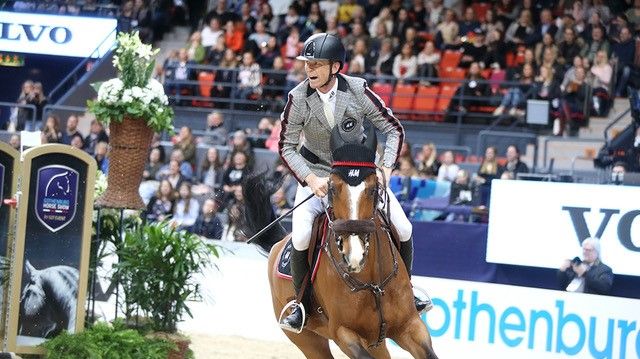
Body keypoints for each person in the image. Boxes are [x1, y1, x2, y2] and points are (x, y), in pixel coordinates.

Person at [278, 33, 429, 332]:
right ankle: (301, 304)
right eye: (308, 63)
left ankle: (407, 291)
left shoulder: (358, 90)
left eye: (317, 64)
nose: (310, 69)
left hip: (360, 178)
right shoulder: (297, 98)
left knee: (404, 226)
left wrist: (386, 167)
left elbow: (392, 128)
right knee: (301, 236)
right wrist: (309, 178)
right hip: (318, 175)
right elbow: (286, 146)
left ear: (335, 67)